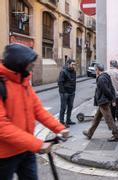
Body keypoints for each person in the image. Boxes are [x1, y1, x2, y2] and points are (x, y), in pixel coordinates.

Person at [0, 44, 69, 180]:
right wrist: (37, 144)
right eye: (30, 63)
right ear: (19, 64)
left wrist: (58, 128)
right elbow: (2, 126)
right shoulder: (2, 84)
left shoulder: (23, 81)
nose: (32, 66)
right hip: (4, 155)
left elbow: (37, 109)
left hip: (26, 149)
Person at [83, 63, 118, 141]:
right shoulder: (106, 76)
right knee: (96, 118)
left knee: (109, 119)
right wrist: (112, 98)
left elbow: (106, 90)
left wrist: (112, 99)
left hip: (103, 102)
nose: (95, 71)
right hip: (103, 101)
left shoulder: (101, 78)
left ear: (97, 70)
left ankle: (116, 135)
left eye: (95, 70)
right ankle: (90, 133)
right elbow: (111, 88)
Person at [58, 59, 77, 127]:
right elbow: (60, 82)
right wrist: (63, 92)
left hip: (72, 92)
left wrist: (74, 90)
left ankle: (68, 120)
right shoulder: (63, 71)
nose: (74, 66)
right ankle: (61, 122)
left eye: (74, 64)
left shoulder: (74, 71)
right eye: (72, 64)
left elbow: (73, 81)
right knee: (63, 107)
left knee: (70, 106)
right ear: (68, 64)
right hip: (65, 93)